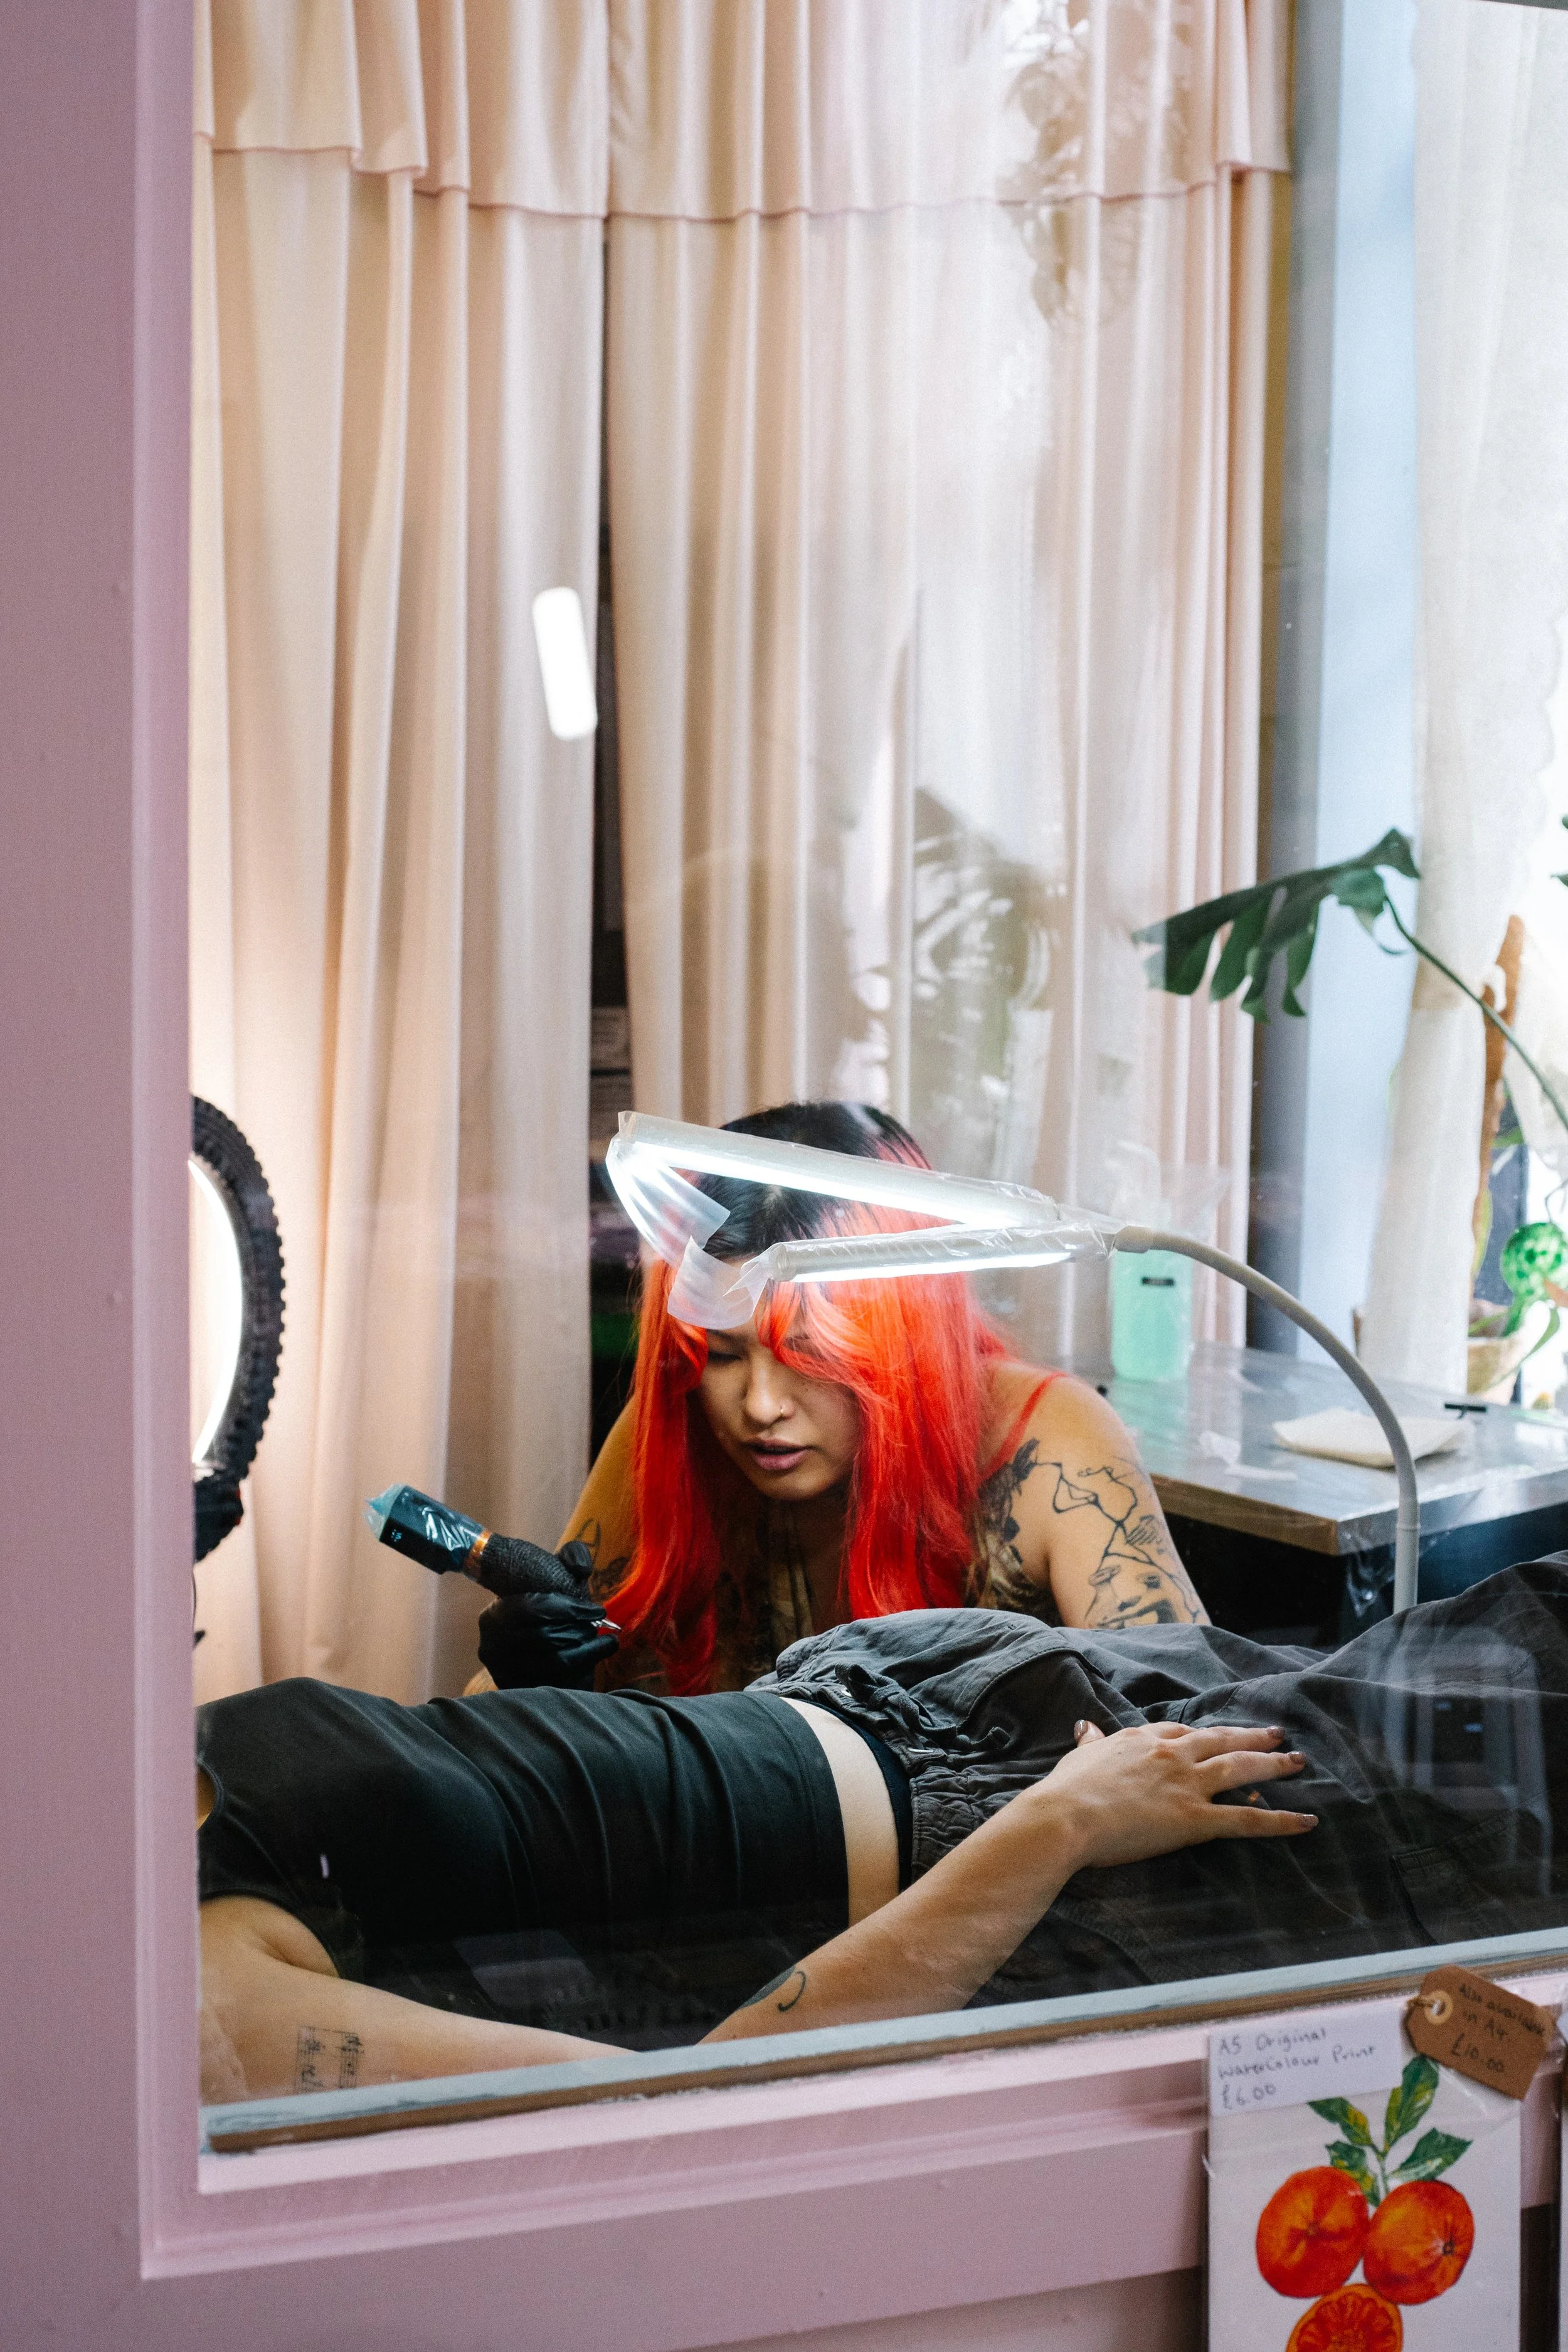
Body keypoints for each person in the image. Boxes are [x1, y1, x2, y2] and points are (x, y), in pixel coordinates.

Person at [198, 1559, 1568, 2105]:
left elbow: (483, 1841)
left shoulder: (156, 1783)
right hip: (1016, 1866)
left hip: (938, 1703)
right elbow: (688, 2121)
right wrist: (1054, 1828)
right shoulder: (197, 1999)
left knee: (1504, 1658)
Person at [477, 1102, 1207, 1699]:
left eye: (813, 1357)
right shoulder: (677, 1425)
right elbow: (488, 1725)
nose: (761, 1405)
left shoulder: (1045, 1440)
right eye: (722, 1355)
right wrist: (526, 1680)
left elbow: (1191, 1728)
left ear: (902, 1346)